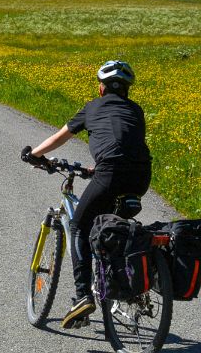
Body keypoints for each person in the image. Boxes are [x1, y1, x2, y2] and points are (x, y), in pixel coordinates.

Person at [21, 60, 151, 329]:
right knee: (111, 229)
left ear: (101, 89)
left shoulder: (92, 107)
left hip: (110, 172)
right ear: (126, 90)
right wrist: (96, 168)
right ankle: (121, 284)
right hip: (141, 176)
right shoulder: (136, 110)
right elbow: (125, 143)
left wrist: (35, 155)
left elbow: (61, 137)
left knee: (79, 226)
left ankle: (82, 297)